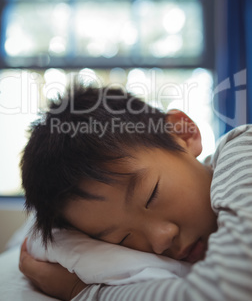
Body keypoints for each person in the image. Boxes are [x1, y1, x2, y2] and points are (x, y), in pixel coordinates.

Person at [19, 84, 252, 301]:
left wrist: (80, 292)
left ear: (182, 133)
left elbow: (225, 291)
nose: (160, 240)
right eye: (122, 240)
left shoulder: (243, 151)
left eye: (152, 195)